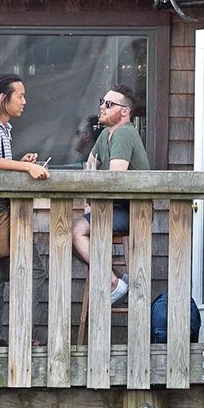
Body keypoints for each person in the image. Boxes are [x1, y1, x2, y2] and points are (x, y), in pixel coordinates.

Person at [0, 73, 49, 343]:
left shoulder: (3, 127)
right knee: (31, 271)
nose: (25, 101)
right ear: (4, 98)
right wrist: (26, 166)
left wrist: (18, 161)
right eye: (20, 95)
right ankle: (14, 335)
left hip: (1, 212)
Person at [73, 85, 148, 306]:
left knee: (76, 231)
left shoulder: (124, 133)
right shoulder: (106, 134)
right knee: (70, 234)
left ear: (125, 111)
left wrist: (92, 204)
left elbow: (114, 179)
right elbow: (90, 168)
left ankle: (114, 283)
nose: (102, 107)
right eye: (101, 102)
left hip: (133, 210)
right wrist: (89, 204)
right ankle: (118, 279)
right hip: (115, 208)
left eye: (109, 104)